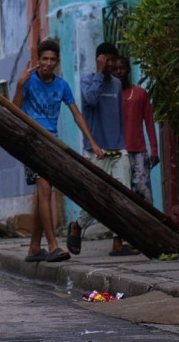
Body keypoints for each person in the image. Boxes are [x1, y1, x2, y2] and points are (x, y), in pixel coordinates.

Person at [13, 39, 101, 263]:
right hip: (31, 140)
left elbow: (77, 115)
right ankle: (52, 245)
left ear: (57, 62)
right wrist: (20, 85)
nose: (48, 63)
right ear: (39, 60)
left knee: (43, 195)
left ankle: (34, 248)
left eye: (52, 60)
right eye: (45, 59)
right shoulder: (29, 81)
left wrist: (92, 142)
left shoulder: (62, 85)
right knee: (45, 189)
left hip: (52, 142)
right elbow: (13, 110)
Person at [77, 42, 134, 256]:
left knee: (123, 196)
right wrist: (100, 74)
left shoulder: (117, 85)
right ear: (98, 60)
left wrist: (122, 143)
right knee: (95, 197)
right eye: (106, 60)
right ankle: (77, 226)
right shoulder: (86, 81)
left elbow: (118, 115)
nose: (110, 64)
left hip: (118, 149)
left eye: (113, 60)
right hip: (96, 151)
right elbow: (91, 100)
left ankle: (118, 242)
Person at [114, 56, 159, 201]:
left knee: (144, 194)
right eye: (115, 69)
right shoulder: (110, 96)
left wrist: (154, 151)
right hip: (118, 153)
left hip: (139, 152)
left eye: (122, 68)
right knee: (123, 195)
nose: (118, 72)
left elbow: (150, 123)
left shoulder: (140, 94)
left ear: (128, 70)